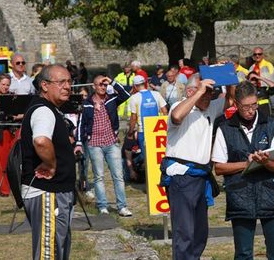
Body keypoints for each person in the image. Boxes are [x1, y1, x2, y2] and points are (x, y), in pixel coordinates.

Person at [161, 73, 234, 259]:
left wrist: (228, 75)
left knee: (200, 232)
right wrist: (200, 90)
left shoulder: (208, 108)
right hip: (182, 176)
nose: (209, 96)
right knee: (184, 231)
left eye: (211, 92)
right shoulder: (180, 106)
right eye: (205, 92)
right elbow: (176, 116)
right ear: (191, 91)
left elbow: (230, 100)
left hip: (201, 176)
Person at [212, 83, 274, 259]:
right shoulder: (225, 128)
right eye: (246, 107)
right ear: (236, 105)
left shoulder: (271, 124)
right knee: (243, 253)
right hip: (240, 195)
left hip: (272, 194)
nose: (251, 110)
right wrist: (246, 164)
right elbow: (219, 167)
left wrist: (265, 161)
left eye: (254, 105)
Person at [20, 64, 75, 259]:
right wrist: (51, 165)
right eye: (61, 82)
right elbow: (41, 141)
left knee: (56, 250)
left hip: (55, 191)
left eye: (69, 81)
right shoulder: (43, 110)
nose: (67, 86)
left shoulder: (49, 109)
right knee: (48, 253)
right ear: (44, 85)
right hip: (47, 192)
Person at [75, 75, 132, 216]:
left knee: (118, 176)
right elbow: (81, 124)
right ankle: (102, 206)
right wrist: (78, 142)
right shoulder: (87, 103)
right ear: (93, 87)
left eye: (105, 84)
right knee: (99, 177)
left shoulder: (111, 99)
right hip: (94, 144)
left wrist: (112, 81)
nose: (103, 87)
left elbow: (126, 94)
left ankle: (122, 206)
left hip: (111, 142)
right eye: (100, 84)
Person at [127, 75, 168, 166]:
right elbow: (165, 111)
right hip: (158, 130)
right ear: (145, 83)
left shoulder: (134, 98)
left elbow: (133, 118)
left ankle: (134, 163)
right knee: (157, 155)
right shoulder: (156, 94)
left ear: (135, 86)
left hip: (143, 131)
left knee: (146, 155)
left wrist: (130, 132)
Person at [248, 47, 274, 114]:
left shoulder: (268, 65)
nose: (257, 56)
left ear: (263, 55)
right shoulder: (252, 67)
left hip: (267, 94)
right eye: (255, 54)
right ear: (253, 56)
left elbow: (273, 81)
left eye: (259, 54)